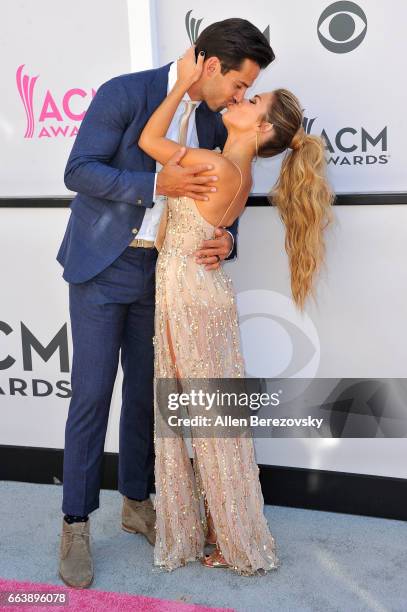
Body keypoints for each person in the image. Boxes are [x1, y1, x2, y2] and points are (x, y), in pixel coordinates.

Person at [56, 18, 275, 588]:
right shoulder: (126, 92)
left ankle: (137, 503)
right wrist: (156, 187)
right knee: (93, 393)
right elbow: (78, 170)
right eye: (236, 85)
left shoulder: (214, 119)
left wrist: (227, 240)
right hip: (103, 268)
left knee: (148, 401)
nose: (239, 98)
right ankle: (76, 521)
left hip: (167, 275)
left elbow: (227, 193)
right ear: (209, 65)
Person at [138, 46, 334, 575]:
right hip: (205, 294)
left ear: (262, 127)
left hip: (188, 295)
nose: (242, 97)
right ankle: (226, 532)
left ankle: (228, 538)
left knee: (197, 417)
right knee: (213, 417)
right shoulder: (238, 174)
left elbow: (149, 143)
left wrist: (183, 84)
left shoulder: (217, 163)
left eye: (254, 98)